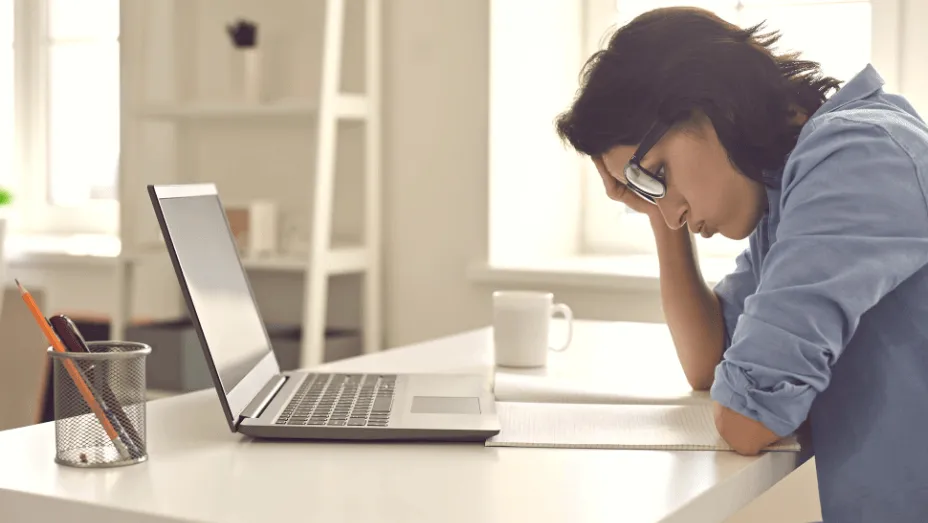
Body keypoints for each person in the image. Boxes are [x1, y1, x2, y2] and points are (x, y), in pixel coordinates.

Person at [554, 6, 928, 522]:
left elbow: (747, 419)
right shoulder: (788, 189)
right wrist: (658, 214)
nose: (673, 209)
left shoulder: (855, 159)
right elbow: (708, 363)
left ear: (707, 102)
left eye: (658, 172)